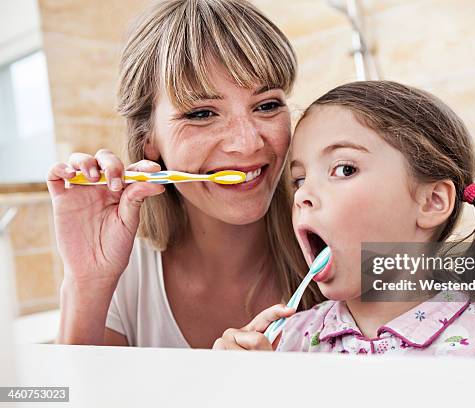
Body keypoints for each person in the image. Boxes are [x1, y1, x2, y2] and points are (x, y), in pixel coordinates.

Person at [213, 81, 475, 359]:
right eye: (299, 179)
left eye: (343, 169)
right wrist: (250, 384)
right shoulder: (290, 342)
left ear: (431, 201)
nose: (303, 195)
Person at [46, 0, 322, 348]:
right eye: (202, 114)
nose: (247, 143)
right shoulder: (128, 275)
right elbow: (69, 397)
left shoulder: (349, 241)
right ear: (148, 140)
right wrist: (86, 283)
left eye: (266, 105)